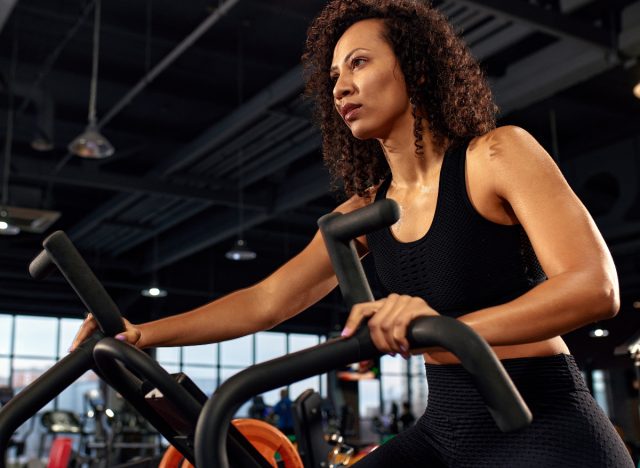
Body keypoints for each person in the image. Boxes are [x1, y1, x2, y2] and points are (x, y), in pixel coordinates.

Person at [72, 0, 633, 466]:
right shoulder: (365, 210)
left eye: (359, 63)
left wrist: (438, 329)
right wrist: (139, 334)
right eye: (335, 74)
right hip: (446, 428)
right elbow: (266, 302)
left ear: (415, 68)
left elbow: (593, 288)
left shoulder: (496, 154)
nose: (341, 86)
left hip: (543, 422)